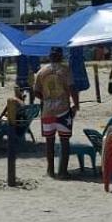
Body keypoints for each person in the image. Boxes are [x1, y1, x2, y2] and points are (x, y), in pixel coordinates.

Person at [32, 46, 79, 178]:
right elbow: (72, 88)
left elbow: (35, 91)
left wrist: (46, 98)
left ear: (50, 56)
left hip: (47, 111)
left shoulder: (41, 71)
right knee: (64, 141)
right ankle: (63, 171)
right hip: (63, 110)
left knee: (49, 141)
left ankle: (50, 170)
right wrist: (76, 104)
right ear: (61, 56)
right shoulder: (65, 70)